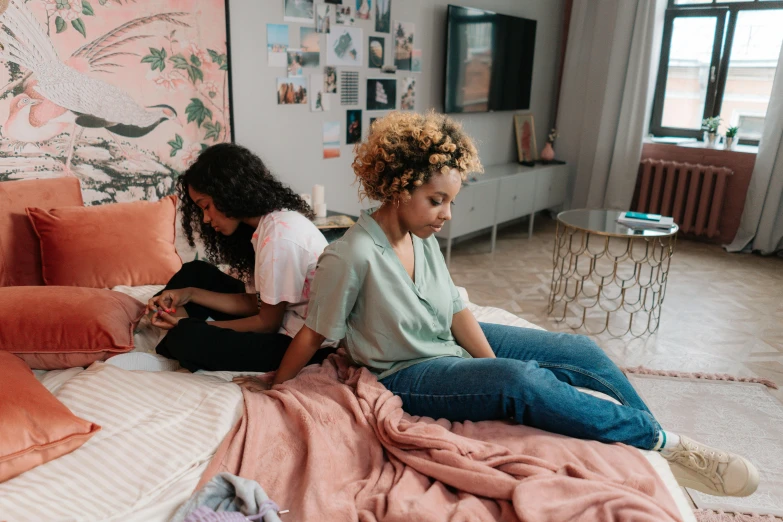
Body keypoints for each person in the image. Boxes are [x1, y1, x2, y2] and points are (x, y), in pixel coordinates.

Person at [239, 111, 760, 499]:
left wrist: (486, 365)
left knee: (578, 350)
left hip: (446, 343)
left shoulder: (422, 238)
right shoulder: (347, 255)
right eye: (436, 201)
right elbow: (312, 335)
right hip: (407, 372)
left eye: (451, 201)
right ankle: (665, 442)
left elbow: (457, 308)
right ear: (399, 188)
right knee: (521, 383)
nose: (446, 215)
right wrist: (273, 386)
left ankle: (655, 446)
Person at [149, 143, 335, 372]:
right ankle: (182, 327)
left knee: (186, 338)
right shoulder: (265, 226)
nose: (206, 219)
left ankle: (176, 340)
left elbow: (267, 323)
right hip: (281, 321)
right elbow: (256, 303)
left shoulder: (279, 237)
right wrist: (190, 294)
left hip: (301, 344)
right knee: (194, 272)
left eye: (206, 206)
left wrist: (196, 328)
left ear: (229, 192)